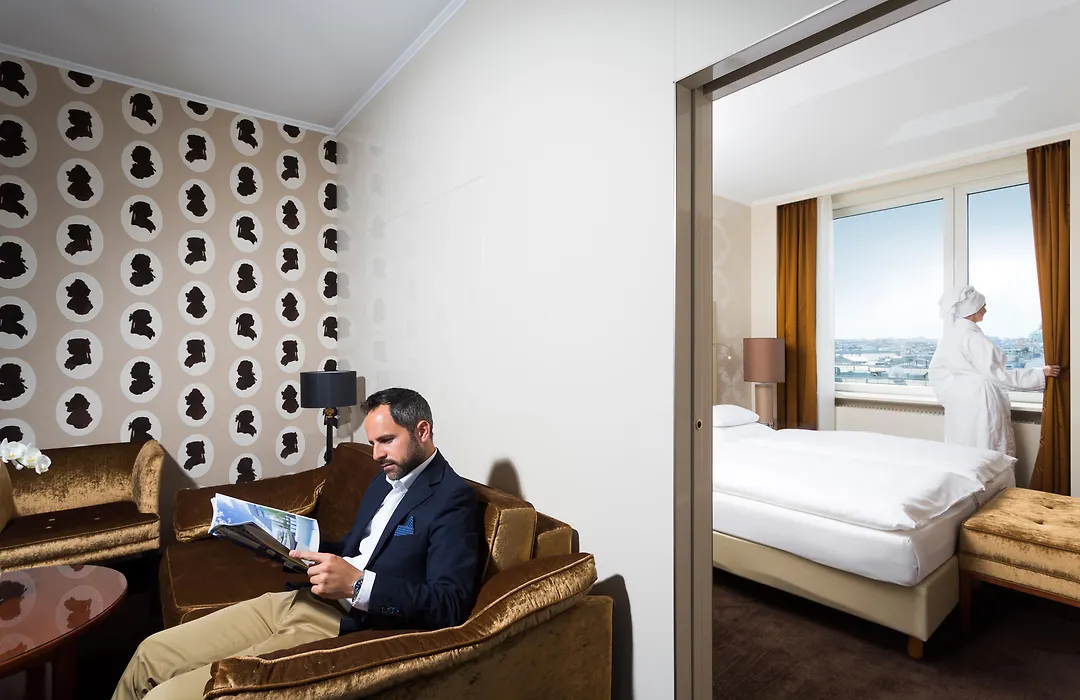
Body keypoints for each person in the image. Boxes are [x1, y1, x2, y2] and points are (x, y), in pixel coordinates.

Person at [112, 388, 481, 700]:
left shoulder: (452, 499)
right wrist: (291, 549)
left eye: (386, 441)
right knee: (148, 654)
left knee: (164, 696)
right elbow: (356, 549)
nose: (375, 455)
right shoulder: (384, 478)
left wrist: (356, 584)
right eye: (372, 443)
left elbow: (449, 604)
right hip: (300, 597)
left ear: (422, 430)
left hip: (339, 624)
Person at [928, 285, 1061, 456]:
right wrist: (1040, 374)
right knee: (988, 447)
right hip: (981, 401)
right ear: (973, 309)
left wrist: (949, 396)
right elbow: (999, 375)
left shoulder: (949, 336)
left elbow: (936, 371)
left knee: (963, 448)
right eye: (982, 306)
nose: (985, 309)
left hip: (959, 402)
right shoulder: (973, 338)